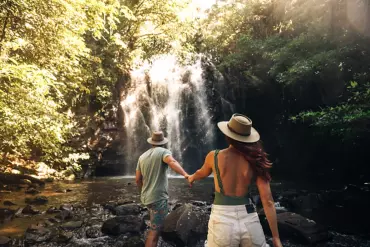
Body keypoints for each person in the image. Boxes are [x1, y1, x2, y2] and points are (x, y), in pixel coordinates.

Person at [187, 114, 283, 247]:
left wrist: (192, 177)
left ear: (227, 136)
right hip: (249, 220)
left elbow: (201, 173)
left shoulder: (213, 156)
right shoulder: (256, 160)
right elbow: (268, 201)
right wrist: (276, 238)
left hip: (222, 220)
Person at [136, 130, 189, 247]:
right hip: (158, 198)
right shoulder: (164, 152)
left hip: (147, 198)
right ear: (163, 142)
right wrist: (185, 175)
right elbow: (172, 161)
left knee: (153, 227)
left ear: (152, 142)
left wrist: (142, 193)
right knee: (154, 233)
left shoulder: (142, 156)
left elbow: (138, 179)